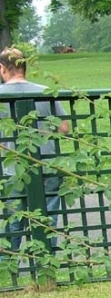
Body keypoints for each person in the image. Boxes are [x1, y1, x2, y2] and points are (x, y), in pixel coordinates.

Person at [0, 47, 70, 253]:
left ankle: (9, 260)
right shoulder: (44, 91)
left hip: (14, 166)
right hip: (48, 163)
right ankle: (47, 257)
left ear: (2, 68)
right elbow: (64, 128)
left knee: (15, 218)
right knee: (48, 217)